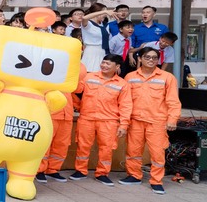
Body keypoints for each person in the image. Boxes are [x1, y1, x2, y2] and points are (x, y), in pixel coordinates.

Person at [120, 46, 181, 194]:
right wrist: (124, 121)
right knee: (133, 151)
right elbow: (124, 101)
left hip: (157, 121)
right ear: (140, 59)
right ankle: (134, 175)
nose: (151, 60)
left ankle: (156, 181)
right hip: (135, 120)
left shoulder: (167, 77)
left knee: (157, 153)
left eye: (154, 57)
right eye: (147, 57)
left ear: (158, 60)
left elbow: (173, 101)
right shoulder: (130, 77)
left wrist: (172, 119)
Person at [69, 54, 131, 185]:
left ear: (117, 66)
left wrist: (123, 125)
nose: (104, 65)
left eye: (108, 63)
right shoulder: (89, 77)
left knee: (106, 148)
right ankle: (80, 170)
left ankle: (102, 173)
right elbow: (75, 90)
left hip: (109, 121)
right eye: (103, 62)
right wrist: (78, 106)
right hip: (87, 118)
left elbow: (125, 105)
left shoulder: (122, 84)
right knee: (82, 146)